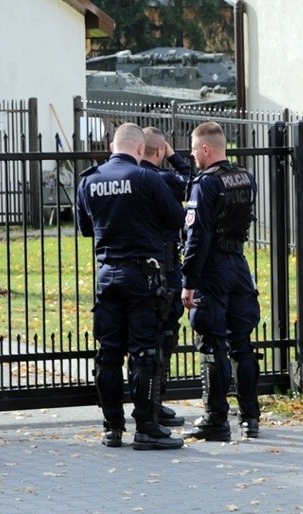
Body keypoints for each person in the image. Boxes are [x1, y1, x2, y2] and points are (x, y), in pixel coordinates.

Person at [76, 122, 186, 450]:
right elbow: (176, 220)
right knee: (145, 353)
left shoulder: (89, 180)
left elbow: (85, 228)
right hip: (143, 275)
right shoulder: (146, 178)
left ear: (113, 146)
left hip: (107, 274)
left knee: (108, 353)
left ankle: (112, 428)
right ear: (140, 149)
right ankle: (146, 428)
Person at [180, 121, 262, 441]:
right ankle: (250, 417)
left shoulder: (205, 185)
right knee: (242, 343)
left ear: (205, 149)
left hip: (212, 268)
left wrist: (188, 280)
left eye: (193, 149)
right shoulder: (245, 177)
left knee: (212, 343)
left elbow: (197, 236)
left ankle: (216, 418)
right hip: (238, 265)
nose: (191, 155)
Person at [139, 126, 192, 428]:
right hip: (166, 267)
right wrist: (174, 156)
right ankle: (155, 402)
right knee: (165, 335)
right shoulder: (167, 180)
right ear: (160, 151)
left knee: (145, 339)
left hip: (138, 268)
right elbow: (194, 182)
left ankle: (152, 404)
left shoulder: (132, 178)